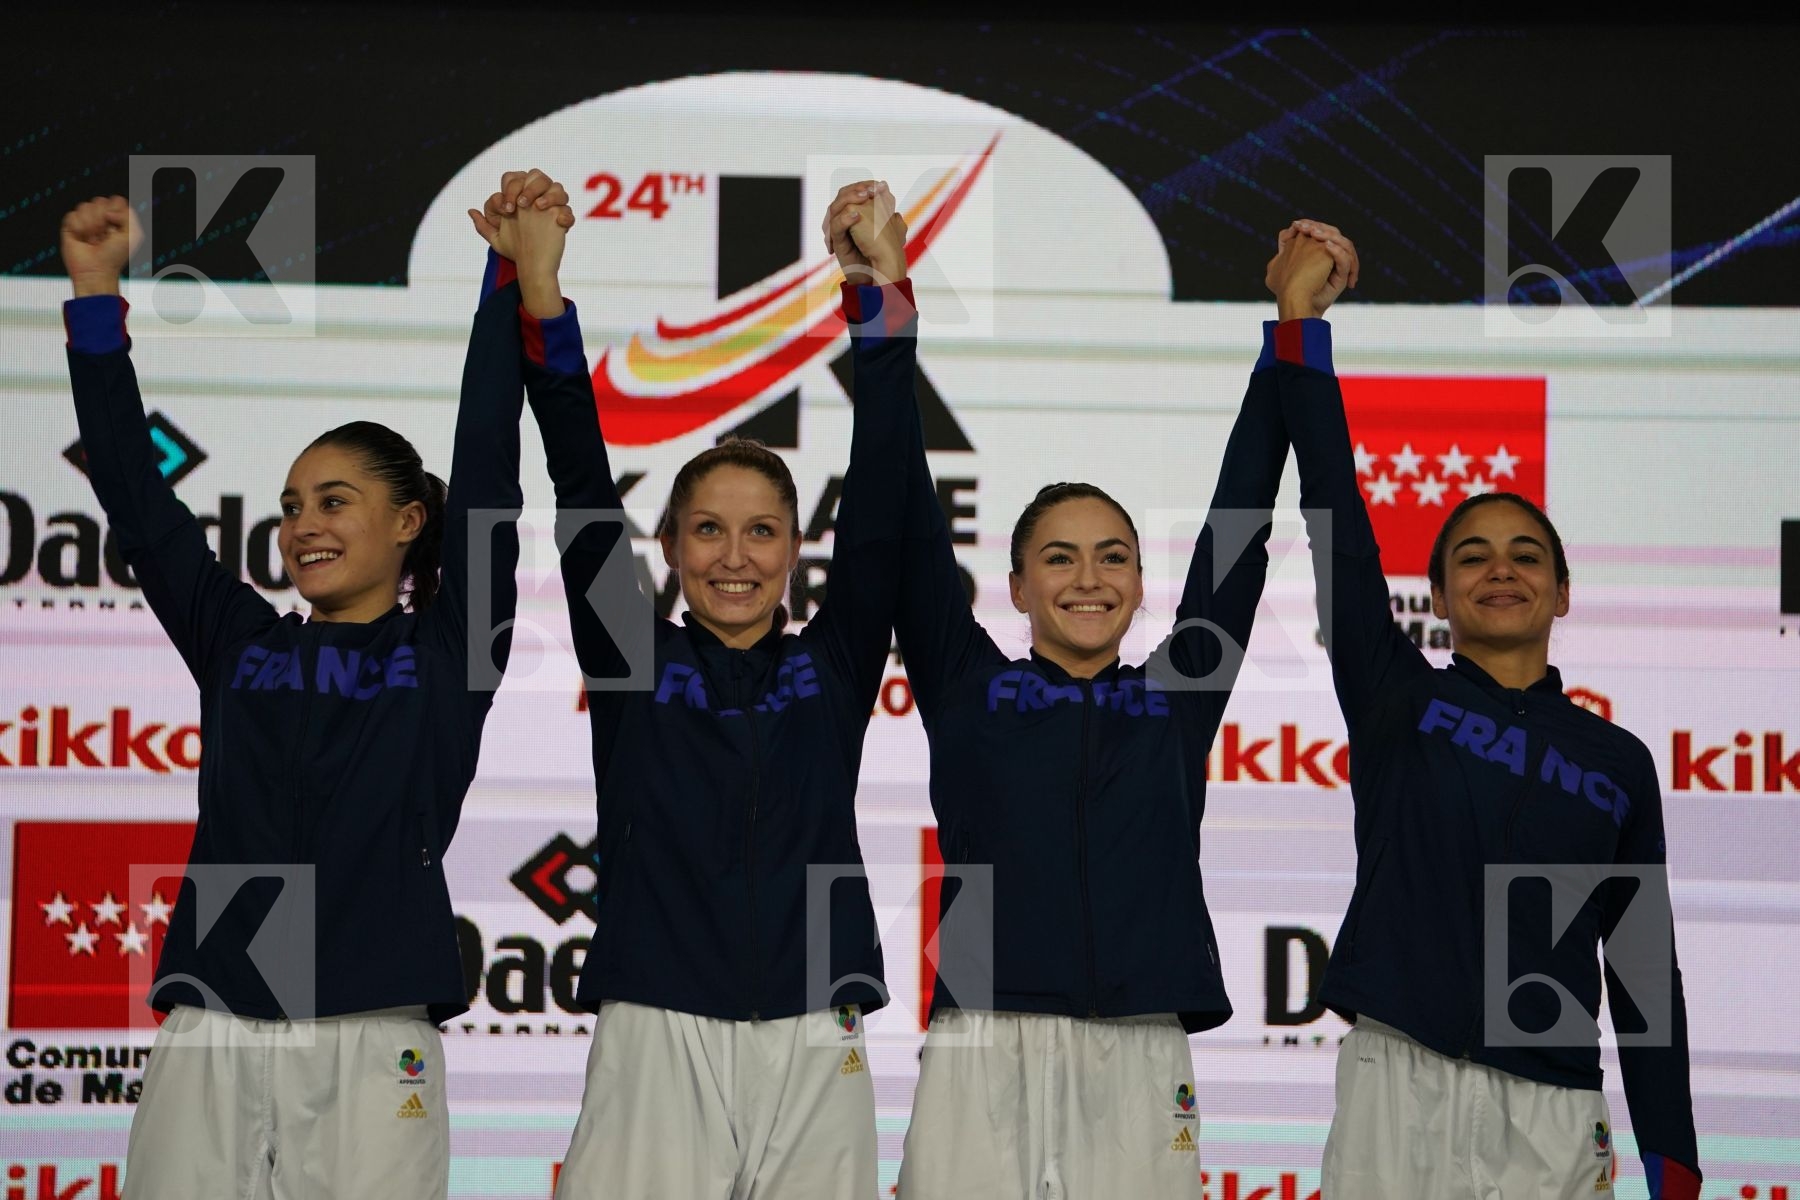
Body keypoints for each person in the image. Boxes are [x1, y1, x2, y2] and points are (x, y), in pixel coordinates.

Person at [57, 174, 571, 1197]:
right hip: (216, 1015)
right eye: (292, 507)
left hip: (376, 1029)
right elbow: (131, 489)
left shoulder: (447, 653)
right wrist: (92, 298)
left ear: (409, 521)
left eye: (336, 502)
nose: (303, 527)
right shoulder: (240, 638)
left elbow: (487, 472)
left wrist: (504, 279)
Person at [893, 224, 1353, 1199]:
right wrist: (883, 300)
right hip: (982, 1033)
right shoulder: (969, 686)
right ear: (1014, 586)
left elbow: (1240, 525)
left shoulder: (1175, 695)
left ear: (1144, 581)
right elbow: (903, 504)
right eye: (1059, 556)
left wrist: (1293, 328)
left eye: (1113, 555)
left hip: (1142, 1044)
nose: (1089, 577)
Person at [504, 177, 921, 1199]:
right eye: (708, 530)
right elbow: (579, 480)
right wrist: (544, 297)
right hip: (658, 1022)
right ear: (672, 547)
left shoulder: (832, 663)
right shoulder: (633, 660)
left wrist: (881, 293)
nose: (734, 556)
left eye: (762, 532)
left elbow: (884, 494)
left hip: (819, 1026)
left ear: (794, 552)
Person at [1272, 219, 1703, 1200]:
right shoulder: (1395, 696)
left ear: (1561, 593)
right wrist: (1300, 329)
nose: (1499, 567)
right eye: (1471, 554)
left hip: (1553, 1104)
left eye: (1525, 556)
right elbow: (1334, 516)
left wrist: (1674, 1165)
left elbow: (1644, 973)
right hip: (1398, 1083)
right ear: (1442, 595)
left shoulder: (1618, 761)